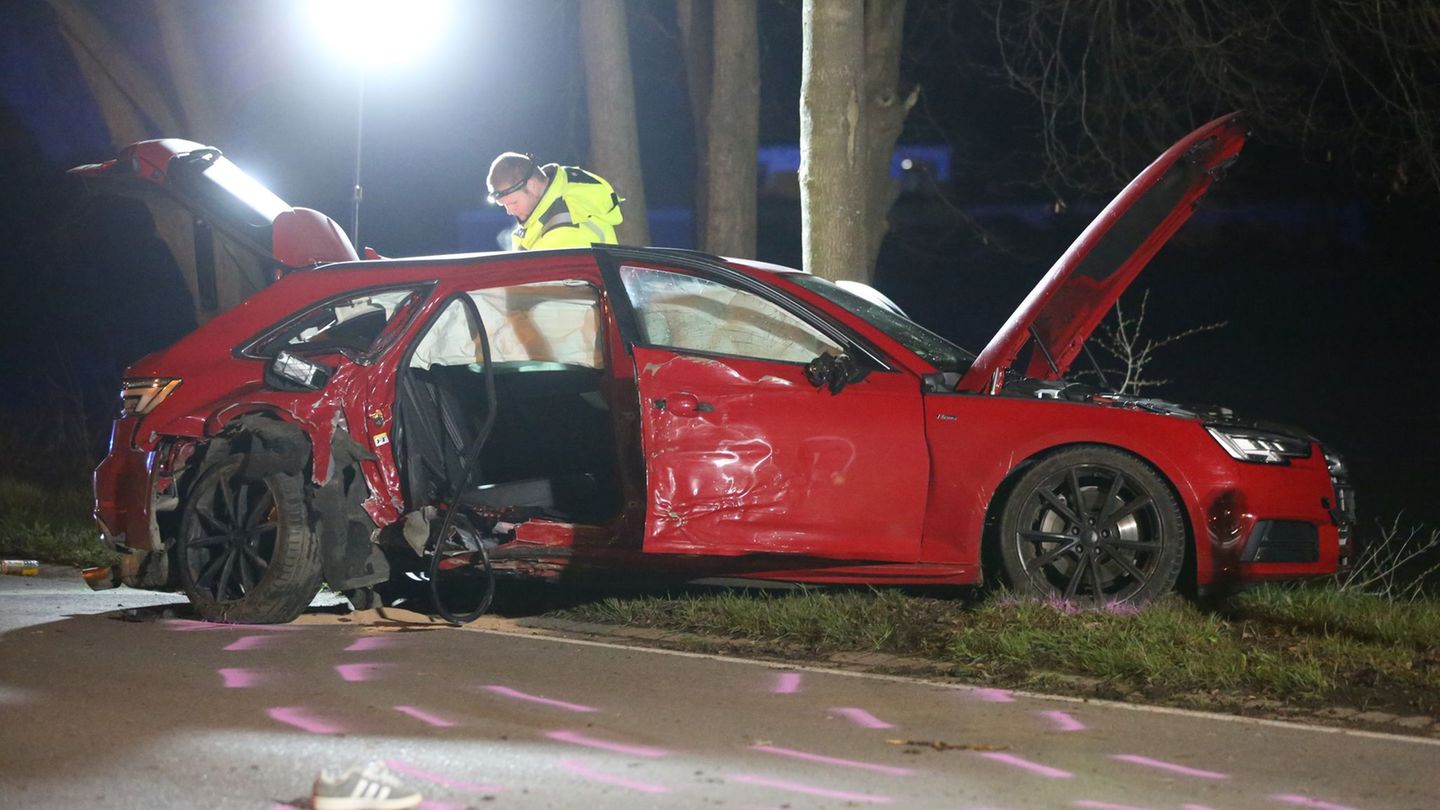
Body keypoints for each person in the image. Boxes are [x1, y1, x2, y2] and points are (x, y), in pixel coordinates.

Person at [486, 152, 624, 250]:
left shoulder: (568, 223)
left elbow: (541, 286)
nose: (509, 211)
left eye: (513, 203)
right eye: (504, 206)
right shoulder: (544, 213)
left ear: (532, 186)